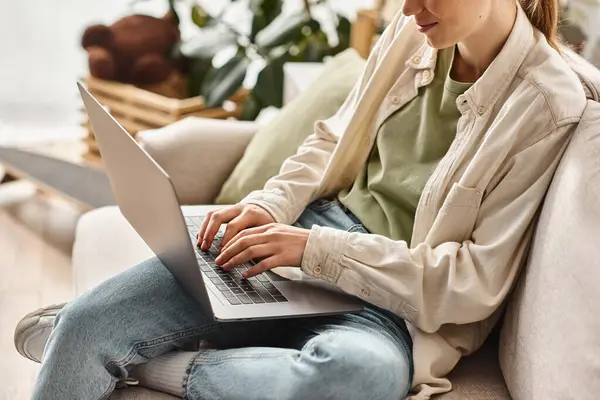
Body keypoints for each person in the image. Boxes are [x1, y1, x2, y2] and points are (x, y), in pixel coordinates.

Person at [15, 0, 587, 399]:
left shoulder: (546, 103)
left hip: (390, 304)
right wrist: (270, 207)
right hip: (301, 238)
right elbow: (332, 138)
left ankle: (159, 364)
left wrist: (316, 251)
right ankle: (116, 338)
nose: (409, 10)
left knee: (358, 378)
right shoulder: (415, 30)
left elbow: (472, 285)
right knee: (86, 325)